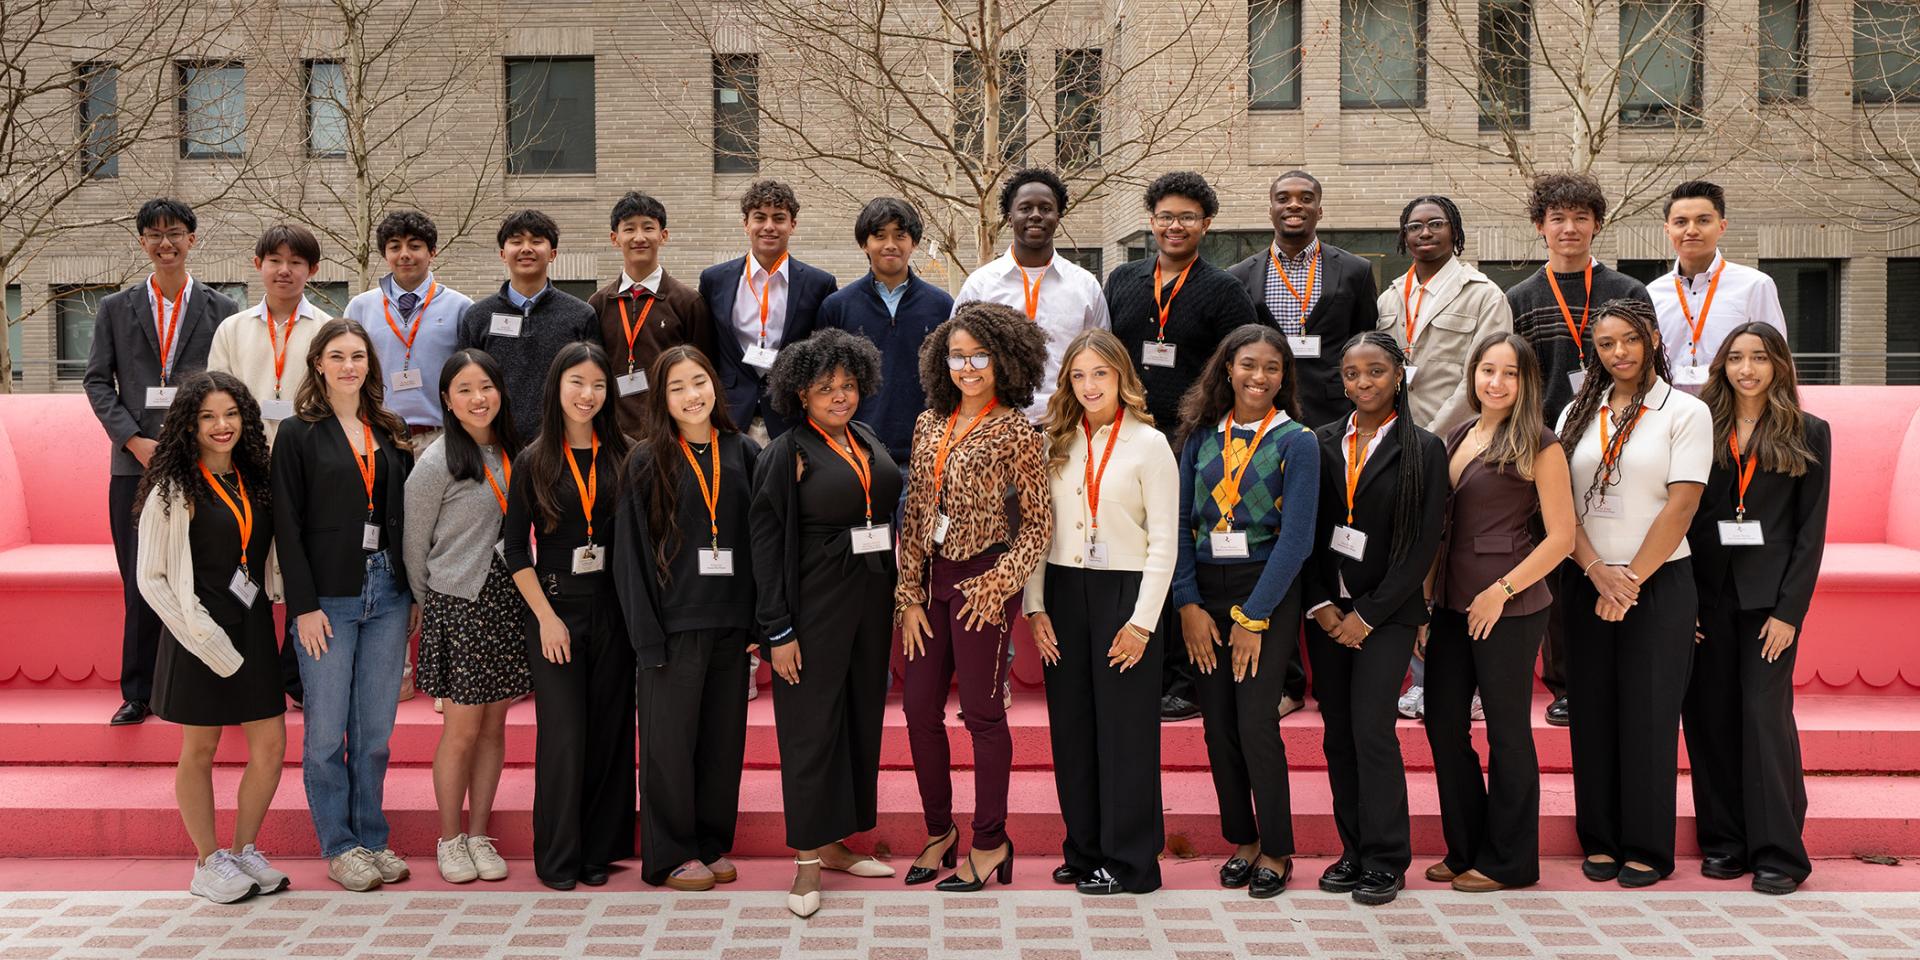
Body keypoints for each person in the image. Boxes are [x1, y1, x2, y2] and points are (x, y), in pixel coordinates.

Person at [897, 302, 1053, 893]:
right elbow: (916, 512)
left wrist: (997, 584)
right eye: (957, 356)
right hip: (930, 582)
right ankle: (940, 831)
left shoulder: (1018, 431)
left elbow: (1037, 525)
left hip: (983, 582)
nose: (967, 367)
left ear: (1003, 360)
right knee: (918, 710)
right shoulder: (928, 423)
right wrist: (909, 593)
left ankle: (990, 842)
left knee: (983, 715)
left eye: (979, 356)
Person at [748, 328, 904, 918]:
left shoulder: (866, 437)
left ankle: (837, 844)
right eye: (825, 388)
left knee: (858, 721)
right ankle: (807, 862)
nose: (840, 396)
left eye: (848, 384)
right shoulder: (785, 453)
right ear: (800, 394)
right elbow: (765, 546)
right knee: (811, 731)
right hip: (812, 609)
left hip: (869, 602)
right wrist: (777, 631)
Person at [1556, 298, 1710, 889]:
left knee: (1649, 715)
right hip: (1587, 577)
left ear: (1652, 340)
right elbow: (1561, 506)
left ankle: (1647, 846)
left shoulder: (1685, 412)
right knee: (1591, 712)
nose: (1618, 352)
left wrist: (1629, 581)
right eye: (1605, 344)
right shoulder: (1576, 412)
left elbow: (1682, 505)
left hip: (1658, 581)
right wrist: (1598, 570)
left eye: (1629, 340)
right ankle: (1599, 838)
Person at [1104, 171, 1267, 724]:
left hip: (1193, 442)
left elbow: (1241, 363)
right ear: (1151, 221)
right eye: (1166, 216)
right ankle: (1139, 664)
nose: (1176, 226)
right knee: (1134, 545)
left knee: (1175, 550)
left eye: (1188, 217)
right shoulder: (1123, 279)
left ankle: (1182, 679)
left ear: (1207, 224)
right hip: (1129, 435)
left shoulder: (1224, 290)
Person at [1024, 330, 1178, 895]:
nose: (1090, 386)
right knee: (1072, 728)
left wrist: (1142, 623)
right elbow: (1039, 530)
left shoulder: (1149, 445)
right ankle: (1085, 849)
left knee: (1125, 733)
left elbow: (1164, 542)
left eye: (1101, 374)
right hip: (1064, 591)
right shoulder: (1055, 441)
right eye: (1079, 375)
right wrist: (1036, 606)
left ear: (1121, 378)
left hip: (1126, 594)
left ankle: (1131, 862)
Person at [1169, 324, 1319, 900]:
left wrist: (1253, 618)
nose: (1259, 377)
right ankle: (1245, 840)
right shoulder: (1200, 435)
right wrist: (1187, 601)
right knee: (1217, 726)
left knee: (1256, 723)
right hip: (1204, 592)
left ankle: (1277, 848)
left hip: (1266, 590)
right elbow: (1180, 523)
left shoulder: (1297, 442)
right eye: (1249, 365)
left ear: (1285, 377)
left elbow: (1297, 540)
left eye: (1272, 368)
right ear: (1227, 369)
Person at [1423, 333, 1575, 893]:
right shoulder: (1460, 433)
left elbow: (1562, 538)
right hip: (1450, 602)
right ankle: (1466, 848)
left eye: (1510, 373)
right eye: (1488, 370)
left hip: (1509, 607)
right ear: (1473, 374)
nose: (1497, 382)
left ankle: (1510, 861)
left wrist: (1501, 591)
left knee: (1508, 733)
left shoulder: (1540, 442)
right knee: (1443, 725)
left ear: (1527, 381)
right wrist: (1427, 601)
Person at [271, 319, 417, 892]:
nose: (349, 366)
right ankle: (339, 844)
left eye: (358, 356)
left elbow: (405, 519)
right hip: (327, 598)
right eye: (337, 356)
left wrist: (412, 593)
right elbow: (287, 526)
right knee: (327, 734)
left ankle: (372, 839)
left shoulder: (391, 428)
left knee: (375, 732)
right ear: (318, 364)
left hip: (388, 592)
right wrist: (303, 607)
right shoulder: (297, 433)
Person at [1683, 321, 1828, 896]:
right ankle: (1725, 841)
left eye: (1760, 358)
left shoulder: (1810, 432)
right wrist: (1687, 603)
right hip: (1708, 598)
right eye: (1737, 358)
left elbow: (1810, 533)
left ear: (1779, 366)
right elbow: (1684, 516)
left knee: (1763, 719)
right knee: (1710, 718)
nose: (1747, 369)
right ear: (1722, 365)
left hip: (1771, 604)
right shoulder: (1701, 424)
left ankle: (1778, 852)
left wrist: (1790, 612)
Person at [1302, 332, 1446, 907]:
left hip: (1385, 614)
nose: (1364, 382)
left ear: (1399, 375)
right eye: (1352, 374)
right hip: (1328, 614)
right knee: (1338, 735)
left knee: (1372, 730)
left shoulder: (1424, 449)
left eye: (1376, 371)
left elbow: (1422, 546)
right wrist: (1322, 606)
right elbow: (1305, 532)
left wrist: (1366, 614)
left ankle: (1386, 859)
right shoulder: (1319, 441)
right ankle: (1353, 850)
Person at [1505, 173, 1652, 728]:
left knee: (1621, 552)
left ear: (1597, 224)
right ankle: (1566, 683)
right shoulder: (1519, 298)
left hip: (1618, 442)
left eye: (1581, 218)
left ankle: (1627, 670)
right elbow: (1517, 381)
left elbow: (1648, 367)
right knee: (1559, 565)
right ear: (1540, 227)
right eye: (1558, 218)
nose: (1570, 228)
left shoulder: (1628, 291)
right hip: (1546, 451)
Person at [134, 371, 288, 902]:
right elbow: (151, 578)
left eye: (230, 414)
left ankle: (243, 851)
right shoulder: (172, 489)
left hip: (252, 626)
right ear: (188, 425)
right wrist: (199, 634)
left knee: (271, 744)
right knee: (200, 748)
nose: (222, 426)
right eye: (207, 417)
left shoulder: (255, 478)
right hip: (197, 631)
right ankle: (207, 862)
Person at [85, 197, 236, 726]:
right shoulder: (115, 308)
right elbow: (97, 381)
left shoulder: (223, 309)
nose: (165, 243)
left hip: (203, 463)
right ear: (143, 242)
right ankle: (139, 690)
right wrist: (132, 439)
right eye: (154, 234)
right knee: (140, 577)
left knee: (207, 574)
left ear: (192, 239)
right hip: (135, 465)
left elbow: (227, 386)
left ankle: (212, 677)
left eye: (174, 233)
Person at [613, 345, 758, 891]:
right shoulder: (646, 460)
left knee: (722, 744)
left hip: (732, 624)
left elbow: (761, 543)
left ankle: (709, 842)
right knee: (669, 746)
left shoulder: (745, 452)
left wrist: (759, 624)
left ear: (715, 385)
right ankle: (670, 852)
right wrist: (645, 636)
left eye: (699, 381)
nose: (692, 395)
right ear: (662, 399)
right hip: (671, 625)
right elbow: (629, 555)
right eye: (677, 388)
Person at [502, 341, 636, 891]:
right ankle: (559, 856)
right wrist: (546, 618)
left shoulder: (625, 455)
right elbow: (515, 550)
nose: (588, 394)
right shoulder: (533, 459)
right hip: (555, 610)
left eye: (598, 384)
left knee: (608, 731)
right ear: (557, 386)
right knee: (563, 736)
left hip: (614, 610)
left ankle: (597, 850)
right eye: (577, 382)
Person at [1377, 195, 1512, 721]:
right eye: (1415, 226)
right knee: (1412, 557)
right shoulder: (1391, 295)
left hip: (1458, 440)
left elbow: (1483, 374)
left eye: (1436, 224)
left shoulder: (1483, 293)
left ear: (1455, 231)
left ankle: (1472, 684)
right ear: (1403, 236)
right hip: (1396, 444)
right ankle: (1419, 679)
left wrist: (1427, 440)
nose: (1425, 233)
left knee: (1457, 554)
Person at [400, 348, 528, 884]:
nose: (479, 399)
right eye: (465, 390)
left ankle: (479, 834)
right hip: (459, 604)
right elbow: (413, 545)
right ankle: (450, 839)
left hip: (508, 601)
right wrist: (433, 606)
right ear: (447, 401)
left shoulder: (514, 450)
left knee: (495, 727)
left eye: (486, 387)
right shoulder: (436, 463)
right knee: (461, 731)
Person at [952, 168, 1110, 422]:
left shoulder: (1085, 286)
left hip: (1067, 425)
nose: (1036, 215)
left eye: (1046, 208)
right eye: (1025, 208)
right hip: (995, 425)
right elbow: (958, 355)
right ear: (1009, 217)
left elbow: (1102, 359)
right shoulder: (980, 285)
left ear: (1058, 217)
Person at [1227, 170, 1381, 429]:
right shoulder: (1239, 275)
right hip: (1262, 404)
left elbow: (1363, 340)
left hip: (1333, 409)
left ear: (1319, 211)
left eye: (1306, 199)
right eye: (1283, 199)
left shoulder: (1356, 271)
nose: (1294, 205)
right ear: (1271, 210)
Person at [817, 197, 954, 467]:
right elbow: (823, 384)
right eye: (879, 236)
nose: (890, 245)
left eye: (900, 236)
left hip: (927, 454)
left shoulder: (941, 305)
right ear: (864, 244)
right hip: (856, 453)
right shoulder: (837, 307)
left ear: (914, 243)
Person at [702, 179, 840, 442]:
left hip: (791, 416)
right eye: (759, 217)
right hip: (730, 414)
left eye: (778, 218)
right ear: (746, 224)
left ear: (792, 225)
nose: (769, 226)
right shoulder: (714, 280)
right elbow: (708, 350)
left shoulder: (819, 284)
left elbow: (823, 356)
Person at [457, 209, 602, 445]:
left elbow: (594, 382)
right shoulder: (477, 316)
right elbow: (464, 382)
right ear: (503, 254)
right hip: (495, 442)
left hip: (560, 443)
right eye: (516, 242)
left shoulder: (581, 315)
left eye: (536, 241)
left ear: (553, 254)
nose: (526, 248)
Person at [588, 191, 715, 435]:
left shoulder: (688, 302)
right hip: (614, 434)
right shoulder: (599, 304)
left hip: (672, 431)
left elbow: (706, 371)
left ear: (663, 235)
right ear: (615, 238)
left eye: (648, 228)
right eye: (629, 229)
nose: (639, 237)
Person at [346, 211, 474, 453]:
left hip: (443, 438)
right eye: (395, 247)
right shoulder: (360, 308)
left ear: (432, 252)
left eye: (415, 246)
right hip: (377, 436)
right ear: (385, 254)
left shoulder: (461, 307)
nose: (405, 254)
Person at [1648, 181, 1788, 391]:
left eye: (1703, 220)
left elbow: (1777, 357)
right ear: (1668, 230)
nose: (1691, 230)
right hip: (1669, 406)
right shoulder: (1652, 293)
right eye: (1681, 222)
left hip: (1733, 405)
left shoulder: (1755, 286)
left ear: (1722, 226)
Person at [208, 224, 333, 435]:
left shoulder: (327, 330)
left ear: (313, 269)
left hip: (310, 443)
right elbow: (217, 394)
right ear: (258, 263)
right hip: (247, 445)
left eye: (295, 262)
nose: (284, 270)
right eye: (275, 261)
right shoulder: (231, 329)